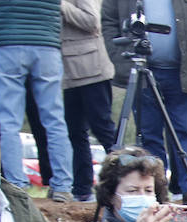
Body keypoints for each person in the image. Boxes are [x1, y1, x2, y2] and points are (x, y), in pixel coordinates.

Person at [102, 0, 187, 203]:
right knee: (149, 134)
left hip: (183, 71)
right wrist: (119, 57)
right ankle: (155, 190)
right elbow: (109, 21)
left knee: (185, 130)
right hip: (140, 69)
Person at [0, 0, 75, 201]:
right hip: (46, 43)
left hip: (5, 42)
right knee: (55, 120)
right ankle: (63, 186)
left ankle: (17, 186)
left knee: (8, 122)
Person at [61, 0, 118, 202]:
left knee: (103, 128)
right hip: (68, 73)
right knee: (75, 132)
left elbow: (92, 21)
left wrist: (61, 5)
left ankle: (122, 181)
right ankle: (82, 188)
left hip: (92, 70)